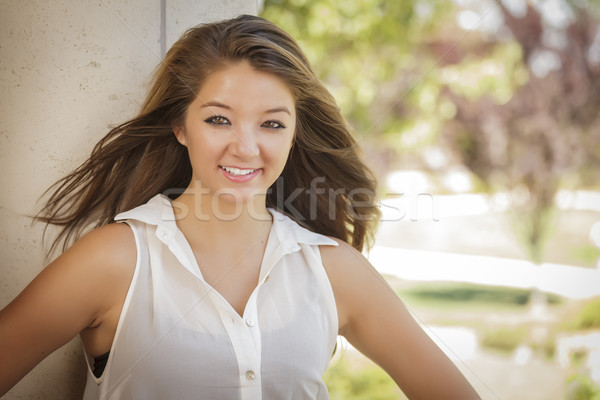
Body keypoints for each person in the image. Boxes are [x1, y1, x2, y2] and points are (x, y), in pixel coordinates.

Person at [0, 15, 480, 399]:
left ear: (295, 133)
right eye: (218, 120)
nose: (245, 148)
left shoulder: (333, 271)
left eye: (271, 124)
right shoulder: (115, 260)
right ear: (181, 127)